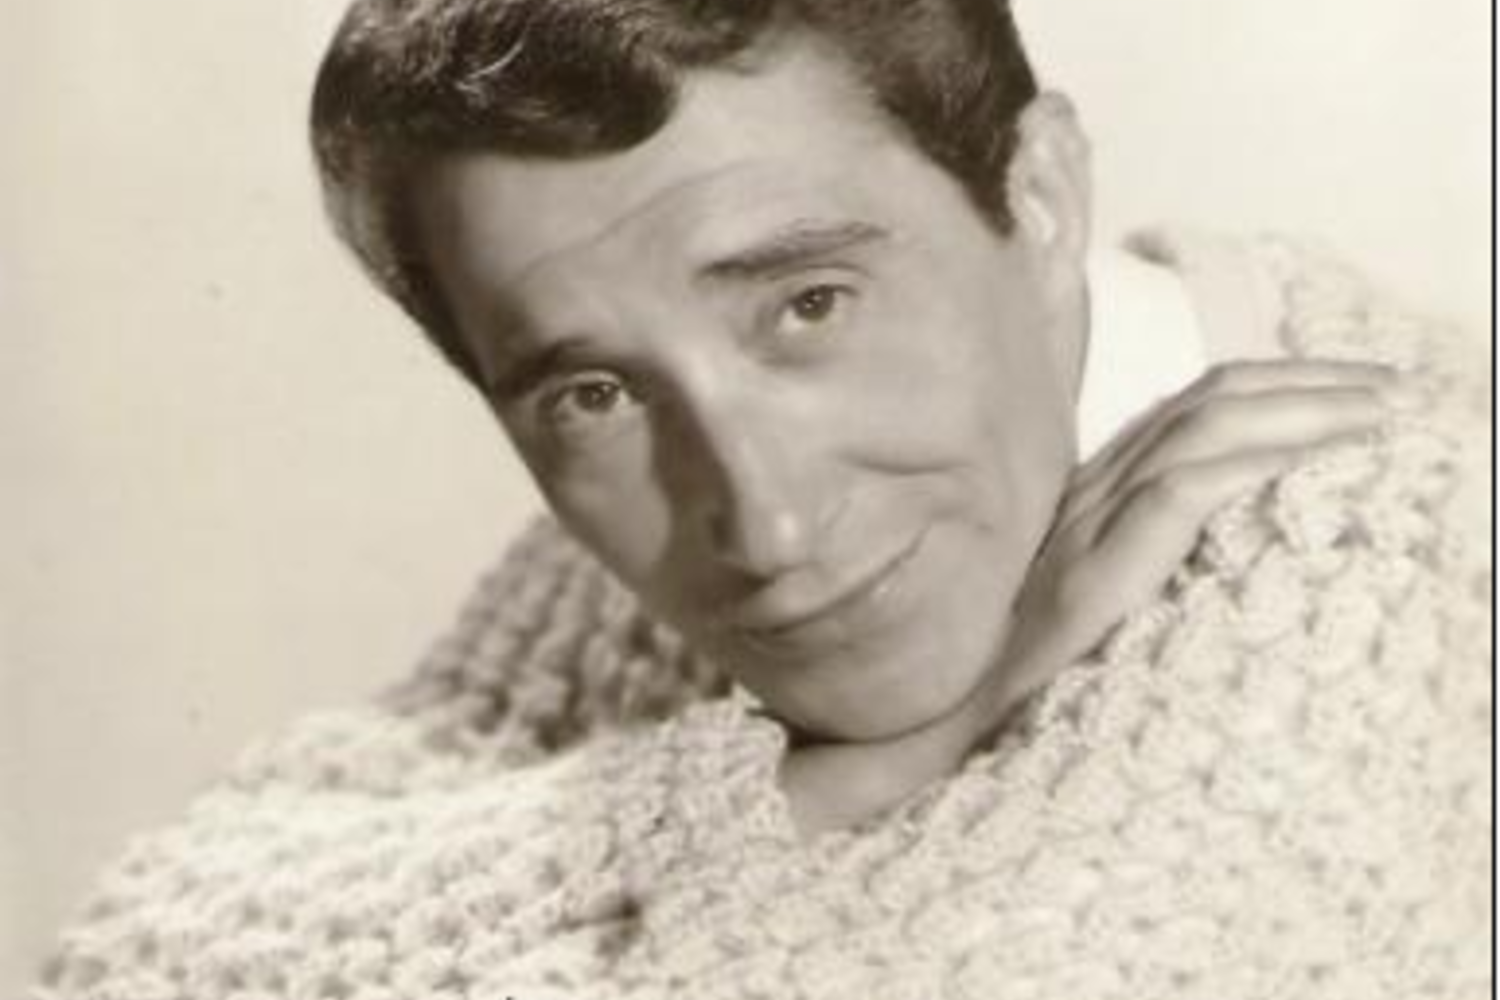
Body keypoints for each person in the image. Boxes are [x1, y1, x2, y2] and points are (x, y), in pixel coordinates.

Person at [35, 0, 1490, 998]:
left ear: (1040, 196)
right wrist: (855, 776)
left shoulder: (1370, 576)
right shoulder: (769, 486)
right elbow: (134, 951)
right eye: (591, 393)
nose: (769, 527)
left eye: (808, 306)